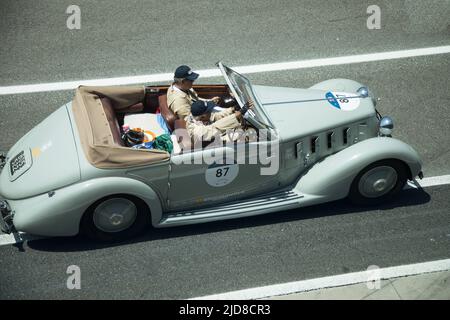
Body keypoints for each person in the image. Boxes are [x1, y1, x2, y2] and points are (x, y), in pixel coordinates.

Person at [185, 100, 253, 146]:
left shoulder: (196, 117)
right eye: (209, 111)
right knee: (243, 137)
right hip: (207, 148)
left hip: (213, 140)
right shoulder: (197, 130)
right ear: (203, 116)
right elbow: (214, 128)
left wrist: (233, 109)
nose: (211, 112)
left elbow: (215, 116)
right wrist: (237, 115)